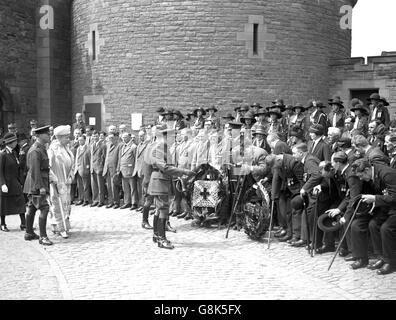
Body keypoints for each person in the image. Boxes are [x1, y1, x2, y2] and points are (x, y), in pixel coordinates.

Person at [147, 125, 194, 249]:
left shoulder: (165, 148)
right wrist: (183, 171)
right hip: (160, 180)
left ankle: (157, 235)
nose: (175, 138)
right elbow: (165, 167)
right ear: (166, 136)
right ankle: (162, 239)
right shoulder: (159, 147)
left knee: (159, 209)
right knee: (163, 209)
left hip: (162, 180)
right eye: (173, 136)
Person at [351, 158, 396, 274]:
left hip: (394, 207)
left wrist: (375, 198)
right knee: (373, 224)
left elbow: (394, 197)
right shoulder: (372, 174)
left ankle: (390, 262)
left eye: (361, 176)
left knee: (386, 228)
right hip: (387, 207)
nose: (361, 179)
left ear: (366, 170)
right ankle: (381, 257)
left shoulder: (387, 174)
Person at [23, 125, 53, 245]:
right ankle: (43, 237)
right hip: (36, 184)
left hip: (35, 182)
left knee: (32, 207)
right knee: (44, 208)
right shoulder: (36, 150)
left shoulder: (40, 148)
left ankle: (29, 232)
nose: (49, 136)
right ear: (39, 136)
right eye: (47, 134)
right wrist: (40, 187)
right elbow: (35, 170)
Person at [48, 125, 75, 239]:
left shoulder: (66, 148)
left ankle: (64, 225)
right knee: (57, 205)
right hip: (57, 181)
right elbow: (48, 167)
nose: (68, 139)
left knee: (66, 204)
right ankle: (60, 228)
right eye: (66, 137)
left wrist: (71, 175)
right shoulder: (53, 149)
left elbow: (72, 163)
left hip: (66, 181)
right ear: (59, 137)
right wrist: (53, 179)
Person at [0, 133, 26, 232]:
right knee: (4, 205)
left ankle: (23, 223)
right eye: (14, 141)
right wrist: (2, 184)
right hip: (6, 184)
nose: (16, 143)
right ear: (9, 143)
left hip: (15, 182)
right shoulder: (3, 154)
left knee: (21, 202)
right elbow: (0, 171)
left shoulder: (14, 153)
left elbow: (18, 167)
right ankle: (2, 224)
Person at [117, 132, 138, 210]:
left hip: (130, 170)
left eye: (125, 137)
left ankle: (134, 203)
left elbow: (136, 159)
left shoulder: (133, 146)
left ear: (129, 137)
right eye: (123, 137)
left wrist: (135, 170)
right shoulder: (123, 146)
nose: (124, 139)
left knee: (133, 188)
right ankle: (127, 202)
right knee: (125, 188)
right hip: (123, 170)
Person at [132, 130, 149, 212]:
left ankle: (145, 206)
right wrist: (136, 169)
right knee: (140, 189)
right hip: (138, 170)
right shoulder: (139, 145)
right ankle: (141, 204)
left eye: (142, 136)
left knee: (145, 190)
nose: (140, 137)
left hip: (145, 170)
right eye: (139, 136)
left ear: (145, 135)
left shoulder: (148, 145)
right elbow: (136, 159)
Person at [103, 133, 120, 209]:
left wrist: (117, 169)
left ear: (115, 138)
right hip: (107, 169)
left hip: (114, 169)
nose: (111, 140)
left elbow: (119, 158)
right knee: (109, 186)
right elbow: (106, 157)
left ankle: (116, 202)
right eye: (109, 138)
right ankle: (111, 201)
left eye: (112, 138)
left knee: (114, 187)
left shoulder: (118, 146)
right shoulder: (108, 146)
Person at [90, 130, 106, 207]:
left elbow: (104, 157)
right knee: (94, 186)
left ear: (99, 136)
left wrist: (101, 167)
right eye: (93, 136)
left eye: (96, 136)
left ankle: (101, 200)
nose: (95, 137)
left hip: (99, 167)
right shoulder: (91, 145)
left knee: (100, 186)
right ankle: (95, 200)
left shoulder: (102, 145)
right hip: (93, 167)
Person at [74, 135, 91, 206]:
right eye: (79, 140)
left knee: (85, 185)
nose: (80, 141)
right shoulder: (78, 148)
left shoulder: (88, 148)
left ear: (85, 140)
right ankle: (81, 198)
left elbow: (90, 159)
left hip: (84, 168)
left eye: (81, 140)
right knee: (79, 185)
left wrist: (88, 167)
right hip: (78, 168)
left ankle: (86, 199)